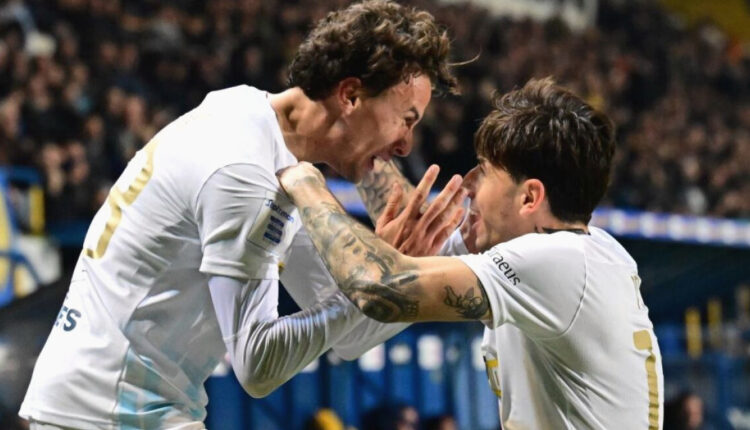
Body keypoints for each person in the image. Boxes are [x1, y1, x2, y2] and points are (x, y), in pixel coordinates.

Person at [19, 1, 462, 429]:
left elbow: (347, 335)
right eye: (406, 119)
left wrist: (394, 279)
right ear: (350, 95)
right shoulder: (242, 168)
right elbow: (257, 366)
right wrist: (369, 283)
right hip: (104, 410)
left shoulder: (259, 132)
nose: (406, 144)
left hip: (126, 404)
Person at [278, 77, 665, 429]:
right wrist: (363, 149)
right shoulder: (576, 255)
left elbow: (381, 286)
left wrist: (305, 182)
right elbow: (417, 229)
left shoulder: (558, 262)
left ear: (529, 197)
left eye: (484, 171)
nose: (468, 185)